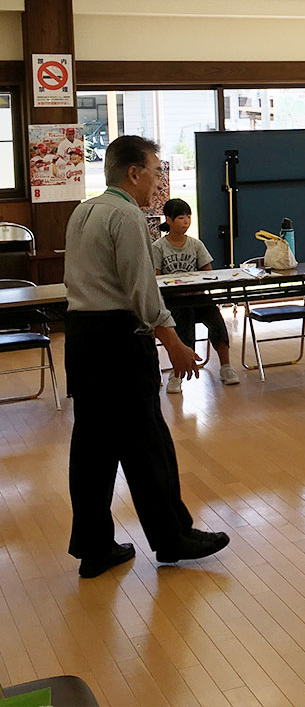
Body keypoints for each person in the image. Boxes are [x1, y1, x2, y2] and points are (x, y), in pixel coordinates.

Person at [64, 135, 230, 578]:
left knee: (92, 447)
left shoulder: (83, 210)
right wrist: (173, 341)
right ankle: (173, 536)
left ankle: (94, 547)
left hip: (81, 338)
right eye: (155, 171)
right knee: (147, 443)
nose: (158, 181)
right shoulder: (128, 216)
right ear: (133, 173)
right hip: (118, 340)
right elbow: (141, 289)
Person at [151, 198, 241, 392]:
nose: (186, 222)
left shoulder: (195, 244)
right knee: (184, 318)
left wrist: (196, 286)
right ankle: (177, 373)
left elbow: (208, 273)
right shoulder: (158, 247)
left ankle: (226, 366)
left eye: (188, 217)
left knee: (216, 319)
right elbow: (156, 279)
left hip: (198, 297)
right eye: (181, 217)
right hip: (172, 301)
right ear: (169, 220)